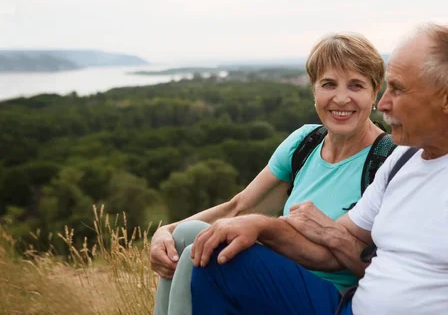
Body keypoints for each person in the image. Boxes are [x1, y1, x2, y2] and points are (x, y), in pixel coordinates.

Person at [188, 22, 448, 315]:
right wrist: (262, 226)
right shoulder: (404, 160)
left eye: (396, 89)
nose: (383, 103)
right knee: (219, 260)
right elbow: (330, 251)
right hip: (347, 308)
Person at [150, 32, 394, 315]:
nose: (341, 98)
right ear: (314, 90)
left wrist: (267, 229)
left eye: (356, 85)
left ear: (375, 92)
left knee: (208, 256)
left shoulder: (386, 159)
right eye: (328, 84)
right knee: (187, 234)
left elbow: (364, 263)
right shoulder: (305, 143)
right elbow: (239, 206)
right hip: (283, 281)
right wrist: (164, 232)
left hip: (339, 298)